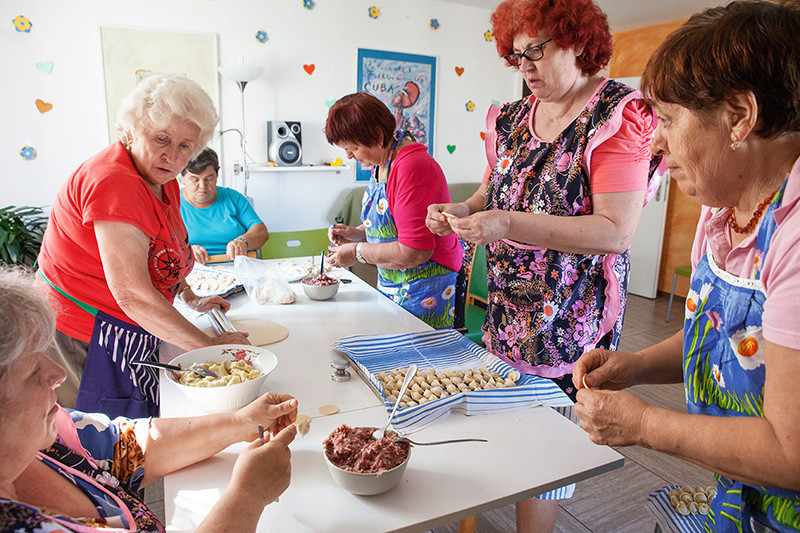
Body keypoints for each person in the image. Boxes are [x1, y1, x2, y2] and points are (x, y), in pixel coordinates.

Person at [426, 0, 661, 530]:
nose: (525, 65)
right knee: (505, 422)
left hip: (570, 314)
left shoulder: (616, 116)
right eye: (516, 55)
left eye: (537, 49)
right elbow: (499, 187)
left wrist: (507, 224)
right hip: (510, 306)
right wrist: (462, 210)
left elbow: (615, 232)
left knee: (548, 450)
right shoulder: (511, 117)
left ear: (578, 40)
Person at [572, 2, 800, 532]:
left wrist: (646, 423)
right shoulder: (724, 210)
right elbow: (723, 338)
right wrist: (634, 367)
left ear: (740, 116)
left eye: (669, 120)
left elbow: (790, 451)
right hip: (740, 496)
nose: (655, 141)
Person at [0, 266, 297, 532]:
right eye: (31, 371)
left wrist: (239, 422)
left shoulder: (47, 437)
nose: (57, 372)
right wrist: (247, 496)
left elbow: (128, 446)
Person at [37, 75, 250, 419]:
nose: (172, 155)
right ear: (131, 131)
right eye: (161, 138)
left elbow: (164, 254)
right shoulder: (114, 181)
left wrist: (189, 296)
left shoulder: (161, 179)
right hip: (85, 337)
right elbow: (132, 294)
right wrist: (211, 348)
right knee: (105, 444)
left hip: (128, 327)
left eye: (185, 146)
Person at [325, 92, 463, 329]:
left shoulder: (412, 167)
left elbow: (415, 251)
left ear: (377, 136)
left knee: (421, 360)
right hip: (394, 279)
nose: (348, 155)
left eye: (354, 147)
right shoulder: (382, 162)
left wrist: (356, 252)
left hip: (425, 284)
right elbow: (392, 228)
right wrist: (355, 233)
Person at [180, 147, 269, 264]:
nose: (202, 186)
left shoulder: (233, 198)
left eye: (209, 178)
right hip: (193, 271)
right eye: (194, 179)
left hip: (238, 269)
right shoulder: (171, 203)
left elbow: (261, 232)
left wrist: (243, 241)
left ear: (217, 176)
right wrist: (184, 250)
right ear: (183, 179)